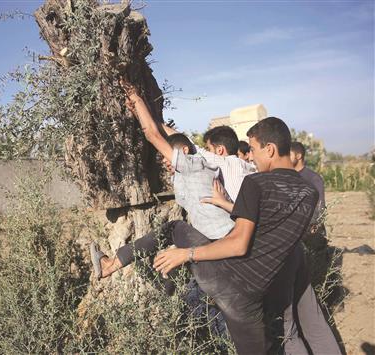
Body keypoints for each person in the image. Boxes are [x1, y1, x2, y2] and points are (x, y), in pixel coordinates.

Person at [149, 117, 340, 354]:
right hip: (278, 270)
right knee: (293, 332)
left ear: (269, 149)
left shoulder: (256, 183)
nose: (250, 156)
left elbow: (238, 244)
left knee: (176, 232)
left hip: (242, 283)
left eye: (253, 149)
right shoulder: (309, 192)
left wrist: (186, 254)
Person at [90, 81, 234, 282]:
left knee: (172, 228)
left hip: (220, 239)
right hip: (213, 237)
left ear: (183, 152)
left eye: (167, 157)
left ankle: (111, 265)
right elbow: (173, 136)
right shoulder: (193, 168)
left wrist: (137, 99)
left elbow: (153, 135)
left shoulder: (194, 164)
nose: (165, 162)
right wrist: (140, 114)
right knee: (168, 270)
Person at [290, 141, 326, 224]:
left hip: (309, 229)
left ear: (298, 156)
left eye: (289, 155)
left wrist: (313, 225)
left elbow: (320, 206)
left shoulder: (313, 178)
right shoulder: (288, 176)